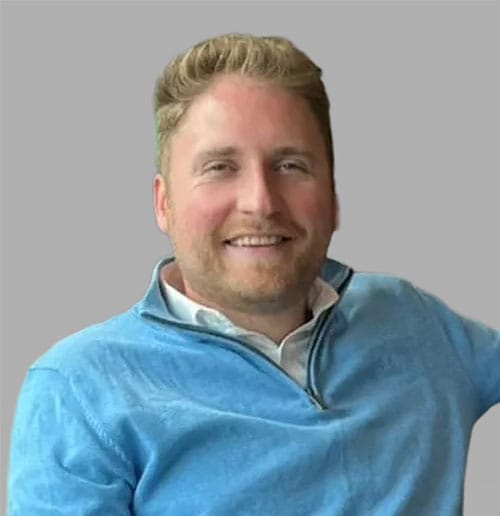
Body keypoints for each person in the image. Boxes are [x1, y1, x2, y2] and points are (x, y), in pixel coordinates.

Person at [7, 33, 499, 515]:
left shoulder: (412, 320)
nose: (260, 202)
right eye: (220, 167)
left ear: (332, 198)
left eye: (290, 165)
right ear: (163, 203)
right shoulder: (80, 390)